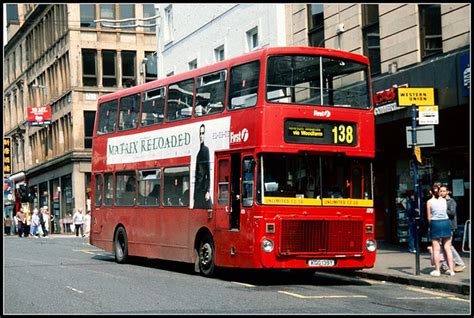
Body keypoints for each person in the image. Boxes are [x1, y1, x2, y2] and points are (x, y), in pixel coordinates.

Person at [427, 183, 455, 276]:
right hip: (445, 223)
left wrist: (430, 225)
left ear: (431, 192)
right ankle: (451, 270)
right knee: (448, 248)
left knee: (436, 249)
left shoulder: (429, 202)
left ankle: (437, 270)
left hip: (435, 223)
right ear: (439, 192)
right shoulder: (444, 200)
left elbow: (428, 217)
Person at [439, 185, 465, 272]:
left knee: (448, 246)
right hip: (443, 225)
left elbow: (452, 212)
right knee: (443, 246)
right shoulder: (441, 201)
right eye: (441, 191)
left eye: (443, 191)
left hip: (450, 226)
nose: (442, 192)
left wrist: (442, 209)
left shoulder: (451, 201)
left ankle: (459, 263)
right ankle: (445, 265)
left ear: (447, 192)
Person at [193, 124, 212, 209]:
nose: (201, 136)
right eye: (200, 133)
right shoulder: (199, 151)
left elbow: (208, 172)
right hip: (198, 190)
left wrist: (208, 191)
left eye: (203, 133)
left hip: (203, 190)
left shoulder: (205, 150)